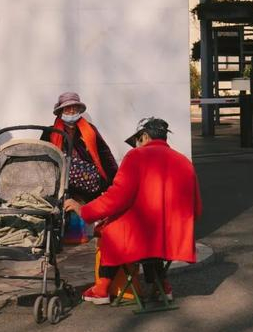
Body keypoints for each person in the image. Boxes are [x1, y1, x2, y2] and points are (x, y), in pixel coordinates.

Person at [65, 117, 202, 305]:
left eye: (137, 140)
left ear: (144, 136)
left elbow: (117, 197)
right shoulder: (184, 161)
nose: (136, 144)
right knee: (152, 241)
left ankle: (102, 289)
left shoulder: (136, 157)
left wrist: (84, 210)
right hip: (174, 237)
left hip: (143, 236)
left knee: (109, 231)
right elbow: (196, 208)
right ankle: (163, 285)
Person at [42, 92, 117, 200]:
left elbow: (105, 154)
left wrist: (113, 183)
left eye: (75, 107)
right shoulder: (50, 132)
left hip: (89, 183)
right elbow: (42, 159)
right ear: (61, 111)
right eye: (67, 108)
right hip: (59, 184)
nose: (72, 110)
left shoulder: (90, 130)